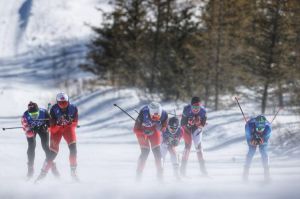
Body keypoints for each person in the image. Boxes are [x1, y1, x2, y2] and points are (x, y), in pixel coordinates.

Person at [35, 92, 79, 182]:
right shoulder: (53, 110)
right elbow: (52, 129)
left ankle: (73, 173)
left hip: (68, 129)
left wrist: (70, 122)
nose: (63, 105)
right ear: (57, 102)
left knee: (73, 149)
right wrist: (57, 124)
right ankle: (42, 175)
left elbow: (75, 124)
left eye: (65, 103)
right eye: (61, 103)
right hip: (57, 131)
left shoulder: (73, 108)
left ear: (68, 102)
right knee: (53, 153)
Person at [133, 102, 168, 181]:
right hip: (142, 130)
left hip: (153, 130)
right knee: (145, 152)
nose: (156, 118)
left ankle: (160, 176)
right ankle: (138, 176)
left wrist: (163, 127)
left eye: (158, 116)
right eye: (154, 116)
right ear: (150, 113)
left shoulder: (164, 114)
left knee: (157, 152)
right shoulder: (143, 113)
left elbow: (165, 124)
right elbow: (135, 130)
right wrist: (144, 132)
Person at [21, 101, 52, 179]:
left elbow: (51, 123)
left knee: (45, 146)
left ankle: (49, 164)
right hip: (32, 130)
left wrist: (46, 126)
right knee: (31, 146)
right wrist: (30, 130)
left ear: (38, 111)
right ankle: (30, 167)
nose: (34, 116)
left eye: (35, 114)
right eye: (32, 115)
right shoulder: (25, 115)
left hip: (42, 129)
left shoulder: (44, 112)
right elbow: (25, 128)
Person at [180, 96, 207, 176]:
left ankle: (203, 170)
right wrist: (189, 123)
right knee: (187, 147)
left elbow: (202, 125)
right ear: (191, 106)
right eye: (194, 107)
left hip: (196, 129)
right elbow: (182, 124)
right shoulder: (186, 110)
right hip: (187, 129)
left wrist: (198, 123)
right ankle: (182, 170)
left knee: (198, 147)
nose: (196, 109)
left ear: (200, 106)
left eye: (197, 107)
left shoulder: (203, 112)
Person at [243, 115, 271, 182]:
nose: (260, 131)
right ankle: (245, 174)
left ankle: (267, 175)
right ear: (255, 126)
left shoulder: (268, 128)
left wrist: (262, 140)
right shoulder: (249, 127)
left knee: (263, 151)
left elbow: (265, 140)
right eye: (258, 129)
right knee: (251, 151)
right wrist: (252, 141)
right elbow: (249, 139)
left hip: (263, 137)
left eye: (261, 129)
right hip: (251, 134)